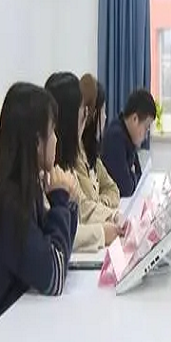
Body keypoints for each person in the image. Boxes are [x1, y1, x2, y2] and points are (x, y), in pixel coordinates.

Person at [0, 82, 78, 342]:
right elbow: (54, 278)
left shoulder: (22, 190)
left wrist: (68, 203)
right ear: (36, 141)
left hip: (10, 329)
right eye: (52, 131)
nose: (56, 139)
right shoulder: (7, 204)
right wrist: (60, 201)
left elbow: (56, 255)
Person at [45, 73, 124, 253]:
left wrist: (113, 216)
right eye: (83, 112)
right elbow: (60, 234)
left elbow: (83, 206)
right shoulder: (49, 173)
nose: (86, 118)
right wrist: (101, 232)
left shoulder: (69, 159)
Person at [101, 88, 156, 197]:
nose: (146, 136)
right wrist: (132, 175)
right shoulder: (115, 137)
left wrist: (132, 175)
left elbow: (138, 174)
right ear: (135, 119)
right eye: (146, 128)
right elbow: (126, 188)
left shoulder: (128, 135)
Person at [77, 74, 121, 209]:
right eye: (103, 111)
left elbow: (113, 189)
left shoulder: (91, 153)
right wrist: (99, 204)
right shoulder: (76, 156)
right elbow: (88, 206)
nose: (105, 117)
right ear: (93, 114)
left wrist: (102, 202)